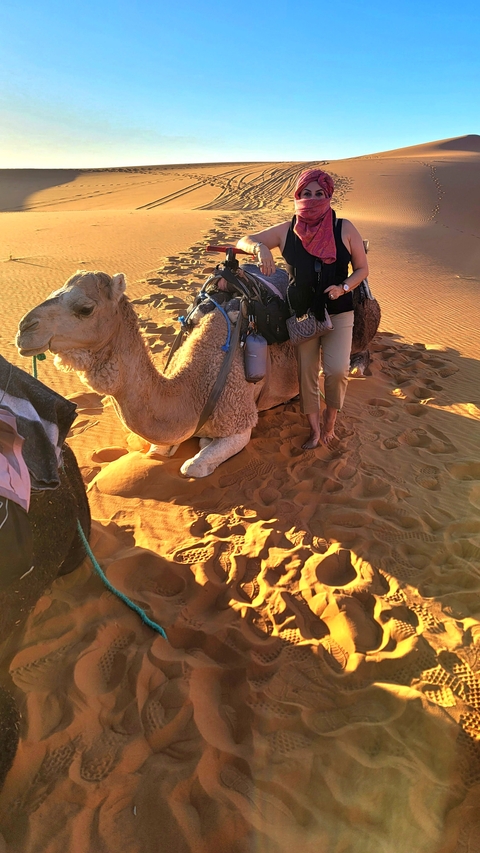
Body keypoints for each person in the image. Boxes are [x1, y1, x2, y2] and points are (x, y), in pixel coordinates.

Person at [235, 168, 368, 449]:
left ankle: (331, 418)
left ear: (329, 195)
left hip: (339, 309)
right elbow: (244, 240)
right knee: (306, 375)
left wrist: (343, 287)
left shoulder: (343, 228)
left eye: (319, 193)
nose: (312, 198)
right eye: (306, 193)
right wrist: (262, 249)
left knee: (337, 371)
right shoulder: (287, 230)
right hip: (303, 316)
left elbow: (362, 269)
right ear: (297, 195)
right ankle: (315, 430)